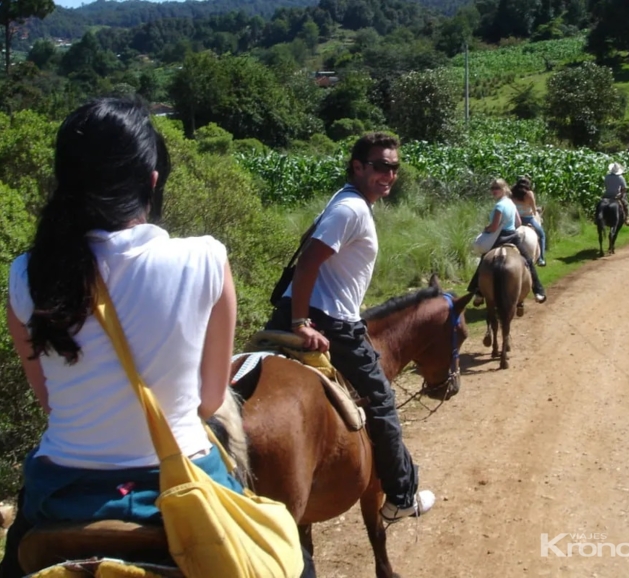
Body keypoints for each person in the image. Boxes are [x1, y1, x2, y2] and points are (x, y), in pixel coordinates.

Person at [0, 98, 314, 578]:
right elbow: (210, 401)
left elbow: (48, 400)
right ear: (152, 179)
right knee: (293, 560)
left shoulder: (26, 274)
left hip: (59, 491)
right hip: (179, 479)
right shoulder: (206, 259)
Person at [265, 132, 434, 523]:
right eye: (379, 166)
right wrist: (301, 323)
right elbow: (308, 263)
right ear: (358, 166)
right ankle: (402, 496)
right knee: (382, 403)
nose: (388, 174)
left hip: (298, 311)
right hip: (331, 324)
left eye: (393, 167)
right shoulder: (352, 209)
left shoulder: (343, 200)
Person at [467, 178, 547, 306]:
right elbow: (518, 223)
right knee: (529, 261)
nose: (493, 191)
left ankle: (478, 292)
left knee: (484, 261)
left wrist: (486, 228)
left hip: (499, 238)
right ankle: (538, 291)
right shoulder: (510, 203)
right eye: (492, 188)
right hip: (513, 236)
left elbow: (494, 228)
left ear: (504, 189)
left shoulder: (499, 206)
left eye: (497, 188)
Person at [511, 176, 547, 266]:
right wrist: (535, 210)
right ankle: (541, 259)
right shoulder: (529, 194)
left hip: (516, 220)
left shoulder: (512, 194)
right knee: (542, 235)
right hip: (528, 219)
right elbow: (534, 210)